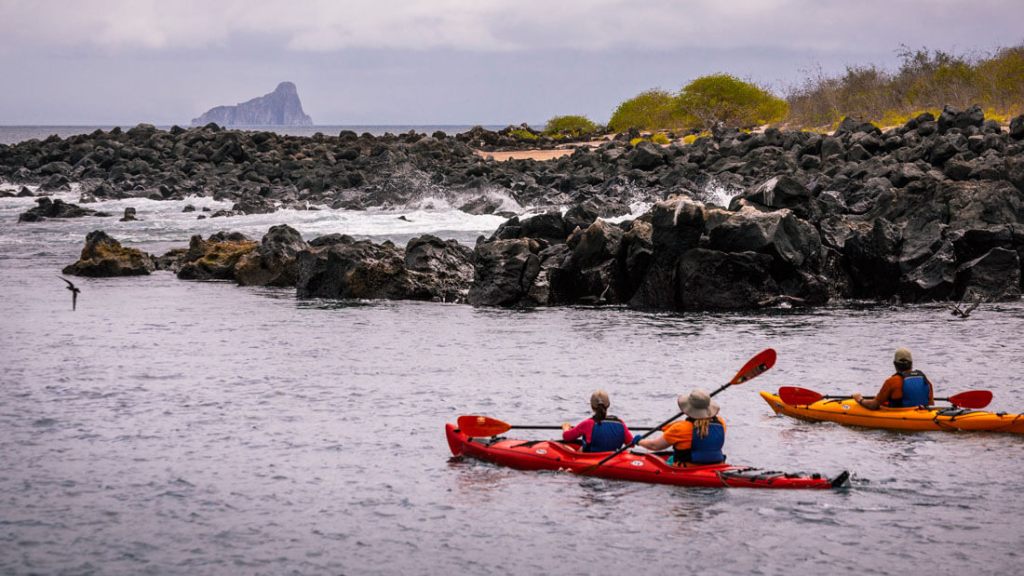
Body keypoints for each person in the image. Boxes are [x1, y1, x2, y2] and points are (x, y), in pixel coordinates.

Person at [634, 389, 726, 465]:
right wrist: (668, 428)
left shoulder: (680, 428)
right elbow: (700, 427)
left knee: (668, 459)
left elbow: (654, 446)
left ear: (688, 408)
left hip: (687, 468)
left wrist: (639, 441)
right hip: (717, 464)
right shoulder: (721, 423)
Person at [852, 347, 935, 409]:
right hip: (923, 414)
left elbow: (874, 405)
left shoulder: (892, 382)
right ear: (911, 363)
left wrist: (860, 400)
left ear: (895, 364)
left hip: (901, 416)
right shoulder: (924, 379)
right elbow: (930, 404)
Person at [561, 390, 634, 452]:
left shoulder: (588, 423)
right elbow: (631, 444)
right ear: (608, 405)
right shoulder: (620, 423)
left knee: (567, 448)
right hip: (612, 459)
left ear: (592, 407)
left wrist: (566, 428)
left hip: (591, 459)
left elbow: (566, 437)